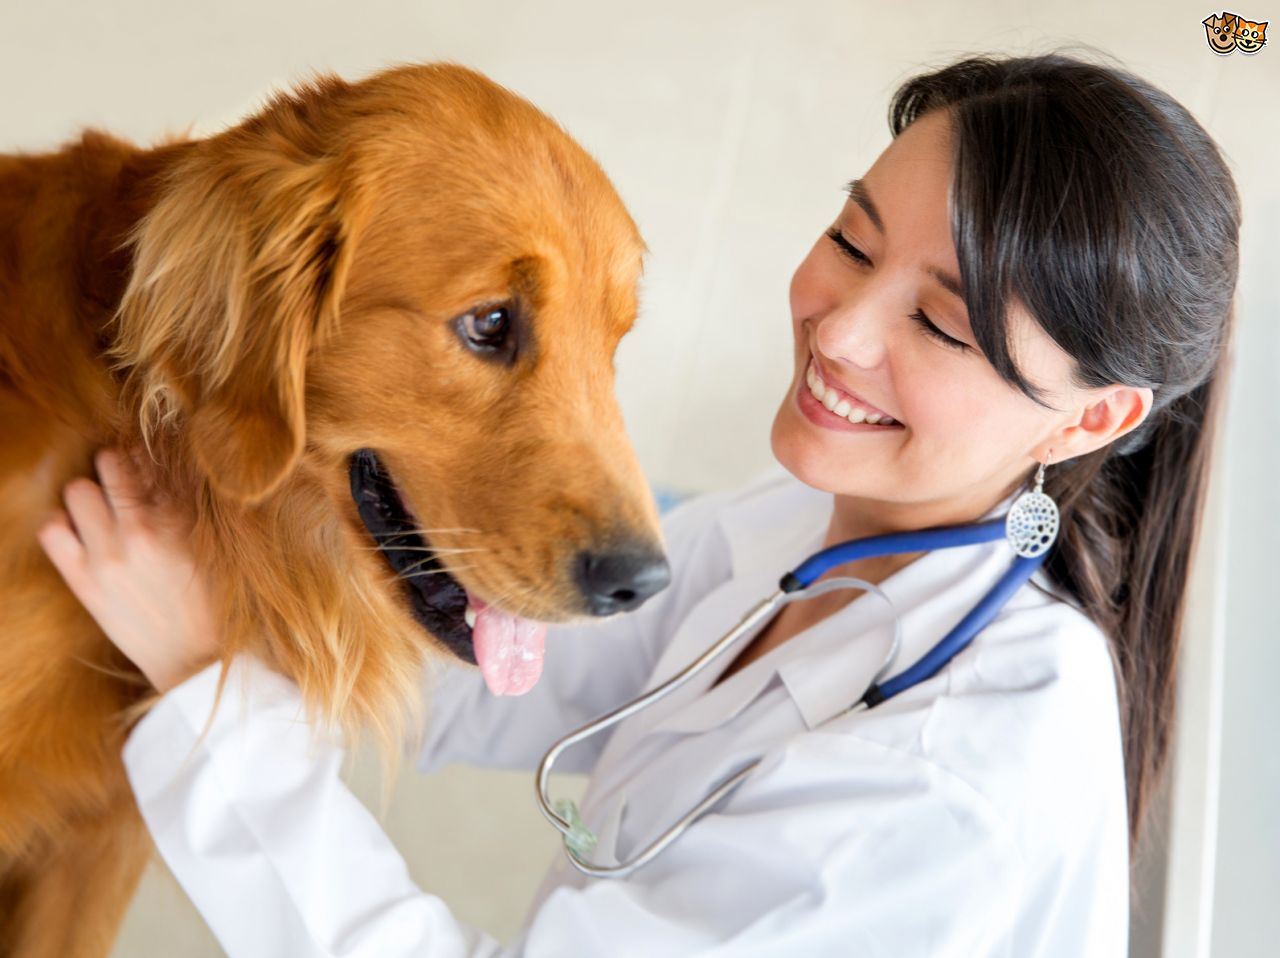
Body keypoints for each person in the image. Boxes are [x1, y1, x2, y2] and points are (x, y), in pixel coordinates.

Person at [37, 52, 1239, 956]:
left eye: (937, 322)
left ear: (1090, 419)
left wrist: (210, 688)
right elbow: (509, 669)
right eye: (850, 240)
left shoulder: (957, 787)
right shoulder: (797, 537)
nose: (840, 330)